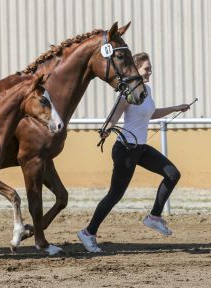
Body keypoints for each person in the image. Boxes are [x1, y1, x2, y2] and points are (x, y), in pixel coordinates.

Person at [77, 52, 190, 252]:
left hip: (141, 148)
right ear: (136, 69)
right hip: (125, 149)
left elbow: (151, 113)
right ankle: (88, 233)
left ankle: (154, 217)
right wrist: (106, 129)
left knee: (172, 174)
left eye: (151, 68)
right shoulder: (127, 93)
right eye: (147, 68)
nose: (150, 72)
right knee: (115, 195)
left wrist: (175, 108)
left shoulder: (146, 90)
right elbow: (115, 116)